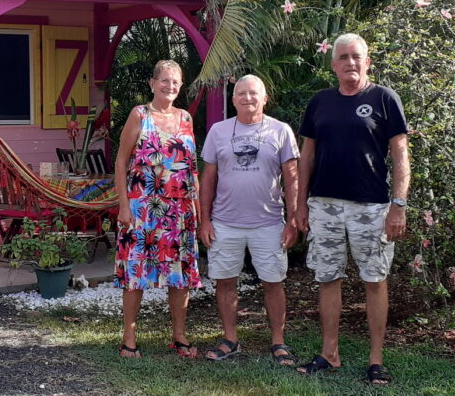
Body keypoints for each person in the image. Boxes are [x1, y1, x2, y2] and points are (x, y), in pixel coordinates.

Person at [295, 33, 410, 386]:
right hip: (324, 206)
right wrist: (300, 205)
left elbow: (401, 155)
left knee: (374, 280)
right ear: (333, 66)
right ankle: (330, 353)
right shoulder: (319, 103)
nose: (350, 62)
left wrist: (398, 205)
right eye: (343, 57)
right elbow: (307, 156)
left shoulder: (384, 99)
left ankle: (376, 360)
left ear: (367, 61)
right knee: (328, 279)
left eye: (356, 56)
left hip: (372, 207)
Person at [198, 75, 300, 364]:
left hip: (268, 222)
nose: (247, 98)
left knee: (273, 282)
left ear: (265, 98)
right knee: (225, 281)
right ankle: (230, 339)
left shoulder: (281, 131)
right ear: (233, 100)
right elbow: (208, 179)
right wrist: (204, 221)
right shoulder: (218, 131)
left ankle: (278, 342)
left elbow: (292, 178)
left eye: (253, 93)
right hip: (224, 222)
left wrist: (292, 220)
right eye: (241, 93)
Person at [114, 59, 201, 358]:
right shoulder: (140, 114)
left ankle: (179, 336)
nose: (170, 86)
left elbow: (192, 168)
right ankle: (129, 339)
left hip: (178, 211)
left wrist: (197, 206)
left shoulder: (186, 118)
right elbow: (121, 162)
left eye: (176, 82)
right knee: (136, 273)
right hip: (141, 209)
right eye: (165, 80)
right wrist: (124, 206)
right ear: (152, 83)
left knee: (179, 274)